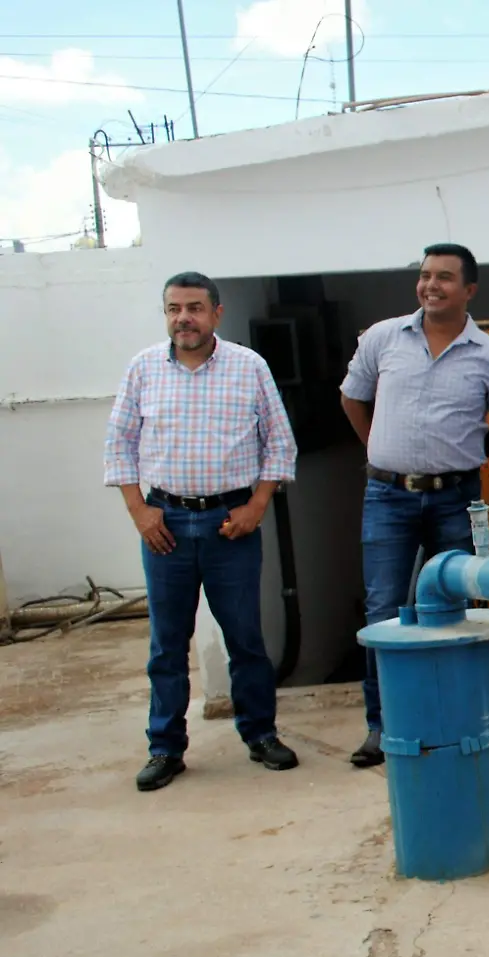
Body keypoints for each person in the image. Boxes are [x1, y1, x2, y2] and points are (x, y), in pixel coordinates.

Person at [104, 271, 300, 791]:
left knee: (245, 639)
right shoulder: (143, 369)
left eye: (193, 307)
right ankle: (165, 748)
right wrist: (138, 511)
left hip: (229, 525)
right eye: (173, 309)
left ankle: (260, 734)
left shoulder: (248, 367)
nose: (183, 318)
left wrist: (258, 504)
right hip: (163, 524)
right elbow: (118, 445)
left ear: (216, 312)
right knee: (167, 645)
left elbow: (279, 443)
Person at [339, 243, 489, 768]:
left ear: (469, 290)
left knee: (456, 611)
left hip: (456, 500)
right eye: (424, 275)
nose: (430, 285)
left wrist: (461, 456)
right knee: (384, 610)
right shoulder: (382, 337)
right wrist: (376, 448)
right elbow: (352, 396)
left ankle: (460, 718)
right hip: (387, 496)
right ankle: (383, 726)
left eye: (443, 277)